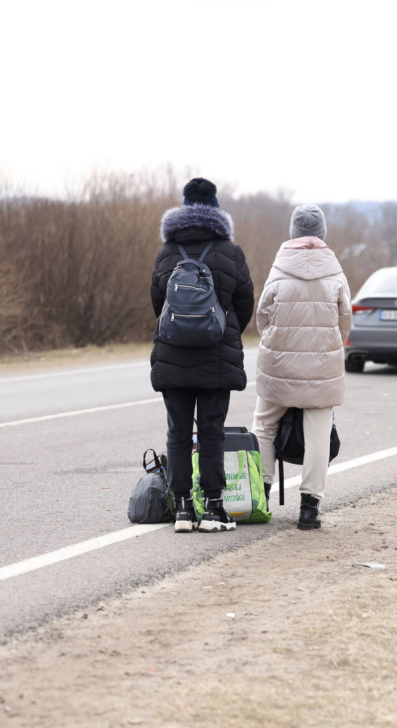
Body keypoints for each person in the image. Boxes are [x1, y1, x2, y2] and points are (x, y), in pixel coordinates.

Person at [150, 178, 255, 533]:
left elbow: (157, 304)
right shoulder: (230, 251)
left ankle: (181, 510)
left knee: (177, 433)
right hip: (216, 357)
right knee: (211, 433)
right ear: (215, 207)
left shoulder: (167, 251)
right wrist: (221, 331)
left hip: (173, 355)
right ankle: (212, 509)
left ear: (182, 206)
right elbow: (245, 304)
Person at [252, 205, 352, 531]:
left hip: (279, 364)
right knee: (318, 435)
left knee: (264, 427)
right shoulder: (335, 272)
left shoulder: (279, 270)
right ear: (322, 233)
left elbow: (262, 317)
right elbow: (345, 322)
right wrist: (332, 347)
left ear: (293, 232)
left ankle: (260, 496)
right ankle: (309, 509)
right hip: (322, 367)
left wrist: (274, 339)